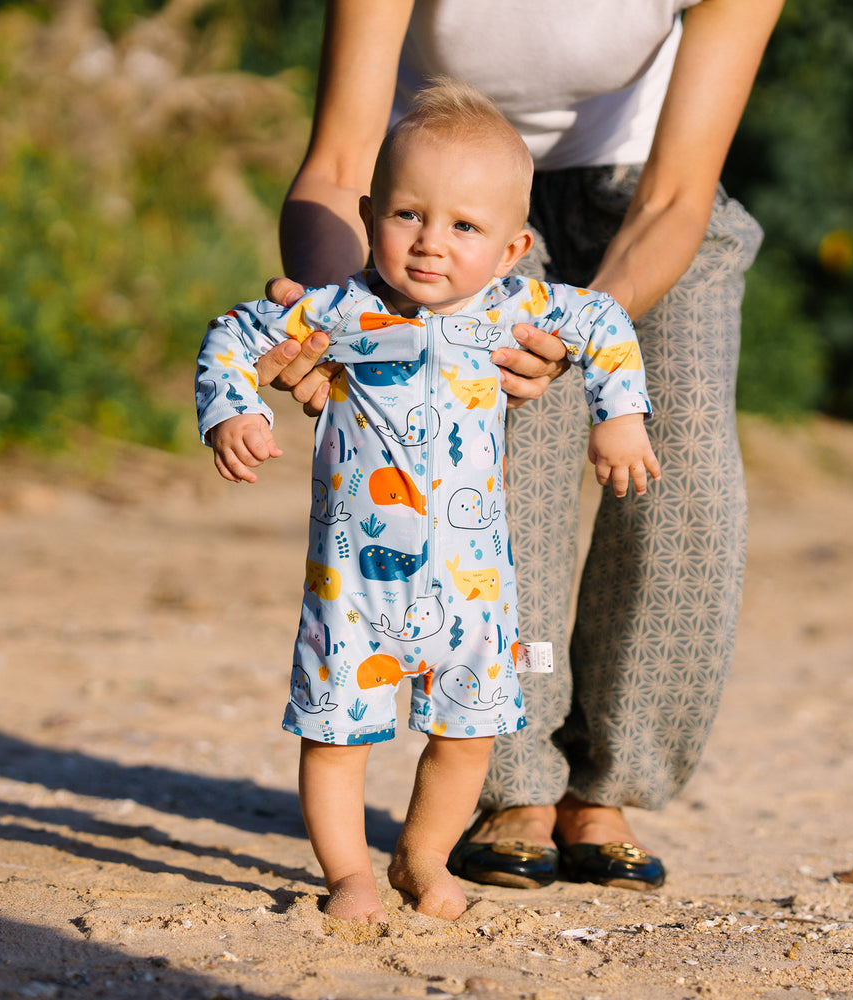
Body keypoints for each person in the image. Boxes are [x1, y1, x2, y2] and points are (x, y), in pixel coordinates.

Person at [254, 0, 783, 891]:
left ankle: (606, 785)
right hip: (446, 189)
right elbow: (343, 161)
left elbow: (676, 195)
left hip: (643, 191)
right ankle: (514, 787)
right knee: (512, 446)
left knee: (677, 457)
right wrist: (336, 319)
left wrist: (572, 342)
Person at [196, 80, 660, 923]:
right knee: (336, 738)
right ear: (371, 212)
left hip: (472, 588)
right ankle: (349, 876)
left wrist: (619, 417)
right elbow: (233, 334)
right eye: (408, 214)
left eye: (465, 227)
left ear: (515, 246)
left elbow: (604, 324)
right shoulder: (341, 310)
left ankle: (421, 856)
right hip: (354, 587)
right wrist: (232, 407)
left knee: (468, 736)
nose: (430, 244)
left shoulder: (520, 310)